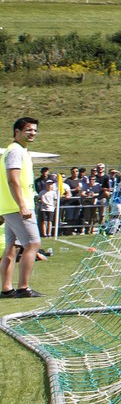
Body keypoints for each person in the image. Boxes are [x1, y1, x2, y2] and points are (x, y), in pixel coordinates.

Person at [1, 117, 44, 299]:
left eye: (34, 130)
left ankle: (6, 288)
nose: (32, 133)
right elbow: (13, 180)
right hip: (18, 207)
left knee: (10, 247)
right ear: (17, 132)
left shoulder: (19, 151)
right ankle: (23, 288)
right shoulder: (15, 151)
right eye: (28, 130)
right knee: (33, 244)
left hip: (9, 207)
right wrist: (22, 206)